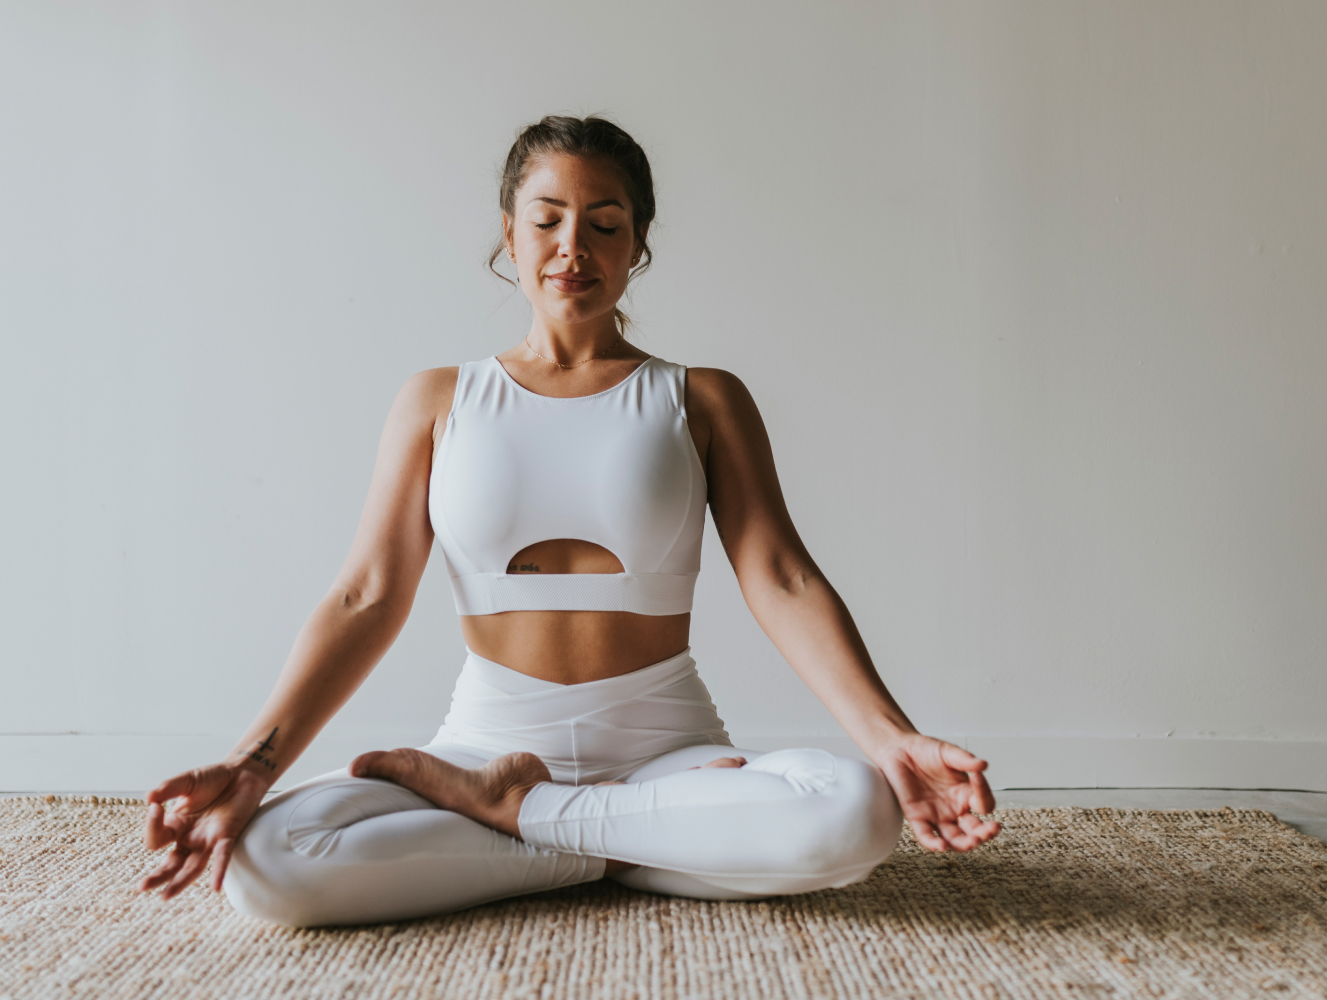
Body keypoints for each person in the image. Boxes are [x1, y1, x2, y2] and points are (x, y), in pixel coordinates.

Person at [135, 115, 1000, 927]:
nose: (572, 248)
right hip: (482, 743)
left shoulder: (702, 398)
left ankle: (519, 819)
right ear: (507, 236)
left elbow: (783, 578)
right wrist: (255, 766)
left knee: (858, 812)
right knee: (264, 861)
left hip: (670, 752)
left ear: (639, 246)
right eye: (546, 219)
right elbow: (365, 594)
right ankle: (620, 841)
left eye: (605, 223)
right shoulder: (438, 401)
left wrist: (894, 739)